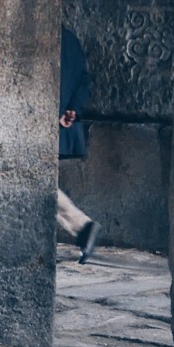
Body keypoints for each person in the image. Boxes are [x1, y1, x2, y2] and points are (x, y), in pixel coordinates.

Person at [58, 26, 100, 262]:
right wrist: (72, 108)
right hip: (64, 123)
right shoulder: (70, 39)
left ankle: (82, 225)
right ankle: (81, 227)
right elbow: (83, 78)